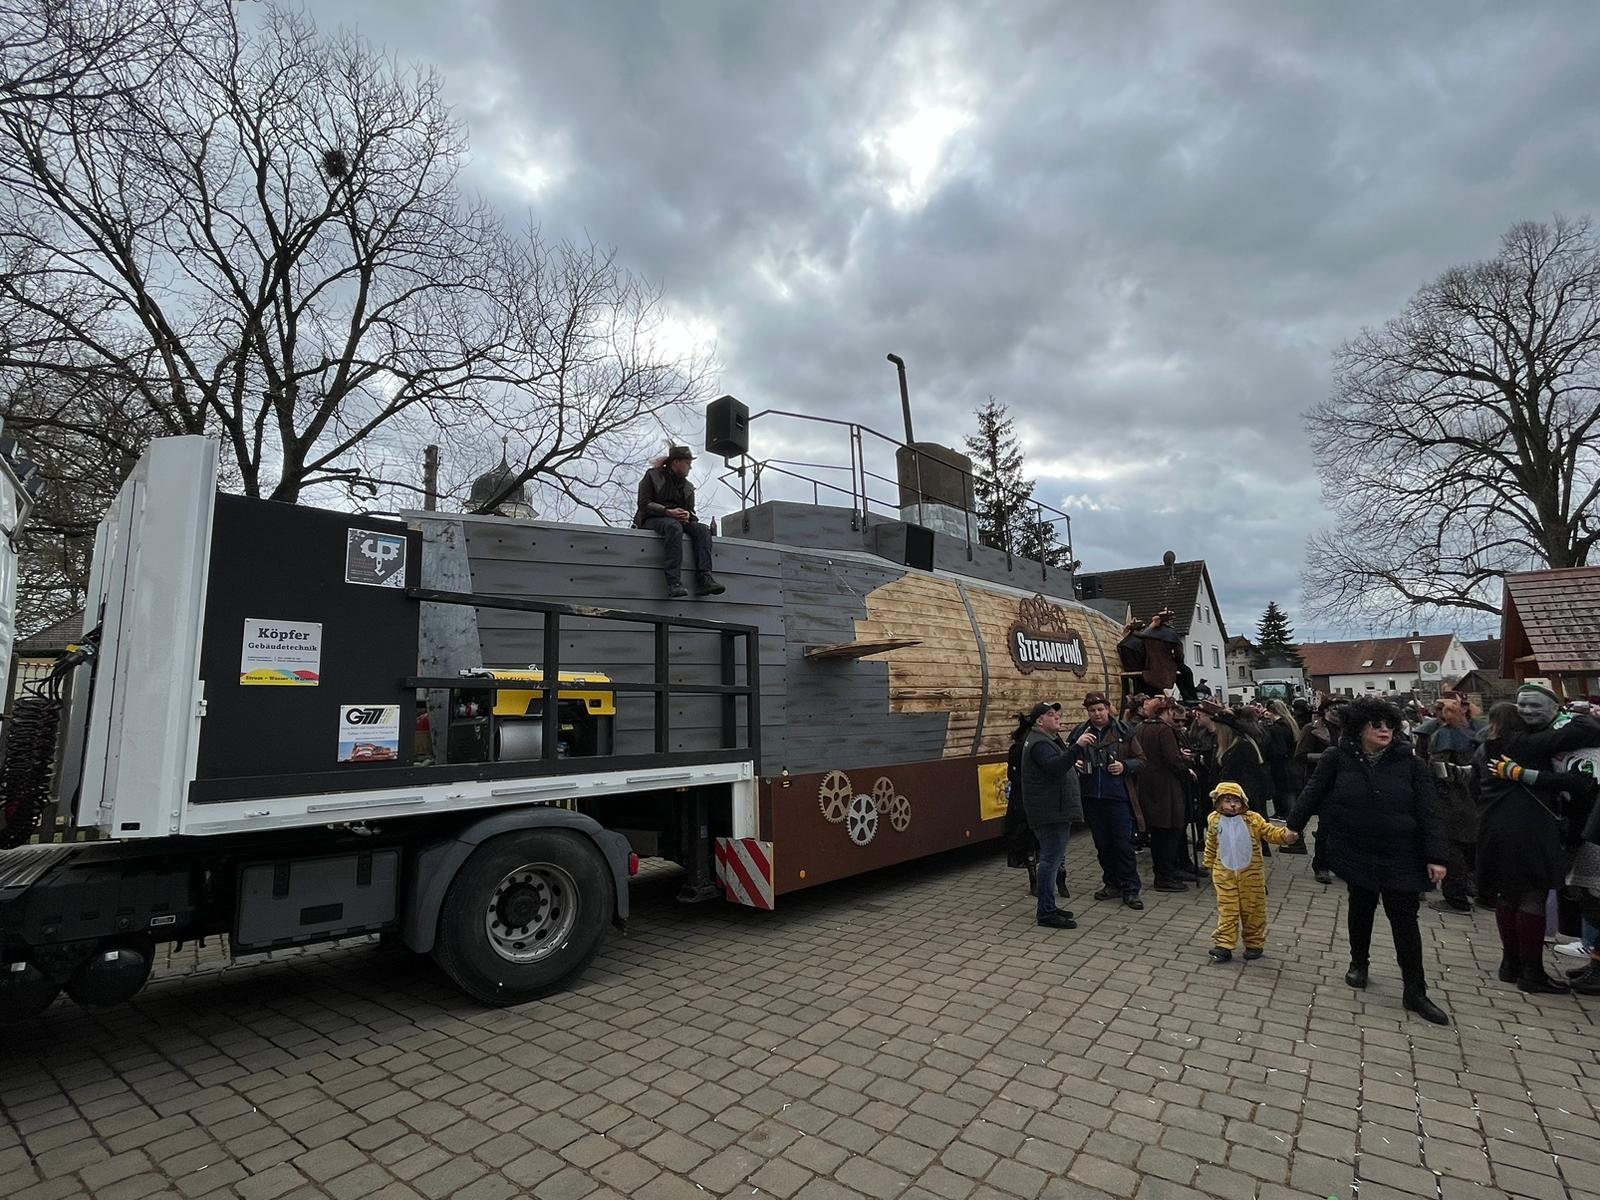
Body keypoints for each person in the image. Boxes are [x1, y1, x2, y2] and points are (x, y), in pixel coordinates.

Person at [1288, 697, 1451, 1026]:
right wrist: (1293, 826)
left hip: (1401, 851)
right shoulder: (1338, 758)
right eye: (1375, 724)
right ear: (1359, 727)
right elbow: (1313, 790)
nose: (1384, 729)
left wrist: (1436, 855)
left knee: (1405, 921)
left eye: (1389, 724)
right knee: (1360, 908)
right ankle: (1358, 963)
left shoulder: (1410, 763)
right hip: (1357, 847)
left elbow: (1429, 810)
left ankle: (1415, 990)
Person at [1473, 685, 1600, 994]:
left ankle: (1510, 965)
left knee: (1508, 895)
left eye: (1534, 706)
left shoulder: (1489, 745)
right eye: (1523, 707)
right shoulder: (1528, 743)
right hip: (1528, 827)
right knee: (1532, 896)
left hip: (1494, 826)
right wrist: (1568, 713)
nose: (1528, 712)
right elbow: (1587, 731)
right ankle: (1532, 972)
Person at [1204, 781, 1298, 962]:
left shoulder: (1253, 819)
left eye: (1236, 801)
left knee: (1254, 910)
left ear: (1243, 802)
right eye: (1227, 801)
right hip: (1225, 875)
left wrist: (1285, 836)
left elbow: (1269, 832)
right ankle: (1223, 945)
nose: (1232, 805)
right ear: (1218, 802)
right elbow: (1211, 843)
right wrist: (1208, 863)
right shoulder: (1214, 820)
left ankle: (1254, 943)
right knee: (1228, 911)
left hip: (1251, 875)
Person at [1068, 692, 1145, 909]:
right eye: (1092, 710)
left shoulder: (1124, 731)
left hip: (1118, 797)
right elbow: (1068, 756)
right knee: (1102, 845)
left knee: (1123, 845)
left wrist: (1124, 766)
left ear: (1108, 708)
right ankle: (1112, 883)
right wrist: (1075, 763)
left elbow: (1142, 760)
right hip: (1092, 797)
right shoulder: (1080, 733)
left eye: (1100, 709)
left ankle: (1131, 889)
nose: (1097, 714)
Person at [1413, 692, 1484, 913]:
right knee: (1464, 845)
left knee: (1452, 847)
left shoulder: (1444, 735)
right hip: (1471, 797)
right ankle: (1466, 890)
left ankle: (1456, 896)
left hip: (1451, 798)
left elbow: (1439, 770)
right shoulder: (1471, 733)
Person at [1018, 701, 1081, 929]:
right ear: (1039, 720)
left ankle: (1049, 905)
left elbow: (1056, 766)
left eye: (1057, 714)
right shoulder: (1039, 743)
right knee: (1050, 862)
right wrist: (1078, 747)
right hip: (1050, 812)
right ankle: (1045, 912)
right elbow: (1054, 768)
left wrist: (1072, 763)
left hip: (1054, 809)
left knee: (1051, 860)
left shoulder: (1044, 740)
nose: (1057, 717)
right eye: (1051, 714)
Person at [634, 445, 724, 598]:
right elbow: (644, 504)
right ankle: (673, 582)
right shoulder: (653, 476)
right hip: (652, 519)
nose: (690, 467)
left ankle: (704, 579)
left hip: (677, 520)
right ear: (676, 462)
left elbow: (692, 512)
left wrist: (688, 515)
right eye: (687, 463)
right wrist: (666, 511)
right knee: (674, 527)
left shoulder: (688, 487)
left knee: (702, 530)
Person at [1132, 697, 1198, 891]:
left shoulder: (1141, 727)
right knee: (1169, 832)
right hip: (1166, 788)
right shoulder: (1164, 730)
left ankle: (1167, 871)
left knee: (1158, 833)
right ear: (1167, 711)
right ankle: (1165, 876)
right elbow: (1172, 760)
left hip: (1148, 786)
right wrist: (1186, 769)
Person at [1005, 711, 1067, 899]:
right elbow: (1015, 775)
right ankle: (1050, 879)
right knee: (1043, 841)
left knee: (1036, 841)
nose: (1057, 718)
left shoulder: (1050, 742)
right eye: (1052, 715)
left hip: (1033, 800)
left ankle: (1045, 879)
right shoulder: (1028, 746)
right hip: (1033, 800)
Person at [1293, 700, 1342, 883]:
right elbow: (1300, 755)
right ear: (1326, 710)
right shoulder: (1312, 729)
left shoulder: (1349, 729)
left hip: (1343, 782)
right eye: (1335, 708)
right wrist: (1328, 758)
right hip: (1321, 782)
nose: (1339, 712)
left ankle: (1339, 863)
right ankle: (1321, 865)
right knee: (1325, 827)